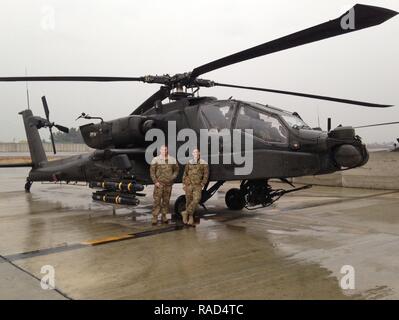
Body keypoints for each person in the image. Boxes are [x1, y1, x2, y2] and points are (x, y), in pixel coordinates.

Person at [150, 145, 179, 225]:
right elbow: (152, 172)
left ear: (167, 150)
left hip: (168, 185)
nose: (164, 151)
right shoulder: (155, 160)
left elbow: (176, 170)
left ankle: (164, 216)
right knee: (157, 201)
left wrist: (173, 177)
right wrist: (155, 182)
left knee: (166, 201)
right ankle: (155, 217)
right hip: (159, 184)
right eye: (162, 150)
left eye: (165, 150)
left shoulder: (172, 159)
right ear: (160, 151)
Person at [182, 148, 209, 227]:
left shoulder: (204, 163)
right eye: (194, 152)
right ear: (192, 154)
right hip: (189, 185)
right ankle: (190, 217)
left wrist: (202, 184)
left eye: (197, 152)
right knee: (188, 201)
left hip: (197, 185)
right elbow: (185, 174)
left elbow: (206, 175)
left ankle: (185, 212)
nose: (195, 154)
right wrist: (184, 184)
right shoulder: (189, 163)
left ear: (199, 153)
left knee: (196, 199)